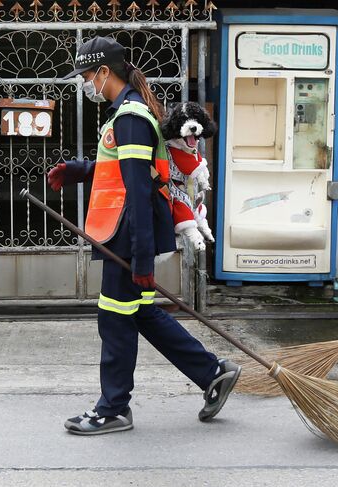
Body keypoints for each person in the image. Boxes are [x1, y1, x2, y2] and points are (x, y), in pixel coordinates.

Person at [47, 37, 241, 434]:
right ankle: (213, 371)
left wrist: (139, 258)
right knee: (139, 313)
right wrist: (78, 170)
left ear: (104, 72)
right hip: (124, 230)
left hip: (126, 233)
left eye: (86, 76)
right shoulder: (127, 113)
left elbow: (137, 189)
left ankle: (113, 408)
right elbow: (120, 169)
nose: (85, 84)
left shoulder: (131, 117)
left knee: (115, 318)